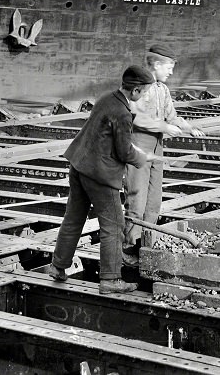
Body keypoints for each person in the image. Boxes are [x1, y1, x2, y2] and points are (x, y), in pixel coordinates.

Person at [44, 65, 156, 294]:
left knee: (73, 218)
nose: (143, 96)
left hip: (79, 165)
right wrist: (142, 158)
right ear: (135, 91)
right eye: (143, 92)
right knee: (114, 226)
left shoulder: (106, 98)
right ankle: (111, 279)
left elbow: (108, 137)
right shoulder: (123, 113)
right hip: (99, 175)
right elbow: (124, 152)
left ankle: (58, 267)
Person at [122, 43, 206, 265]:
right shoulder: (139, 87)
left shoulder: (162, 89)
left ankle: (146, 245)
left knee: (153, 201)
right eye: (169, 66)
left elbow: (172, 116)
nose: (171, 71)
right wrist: (164, 127)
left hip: (156, 146)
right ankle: (129, 248)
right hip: (138, 146)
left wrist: (188, 127)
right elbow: (135, 118)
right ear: (156, 64)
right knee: (136, 199)